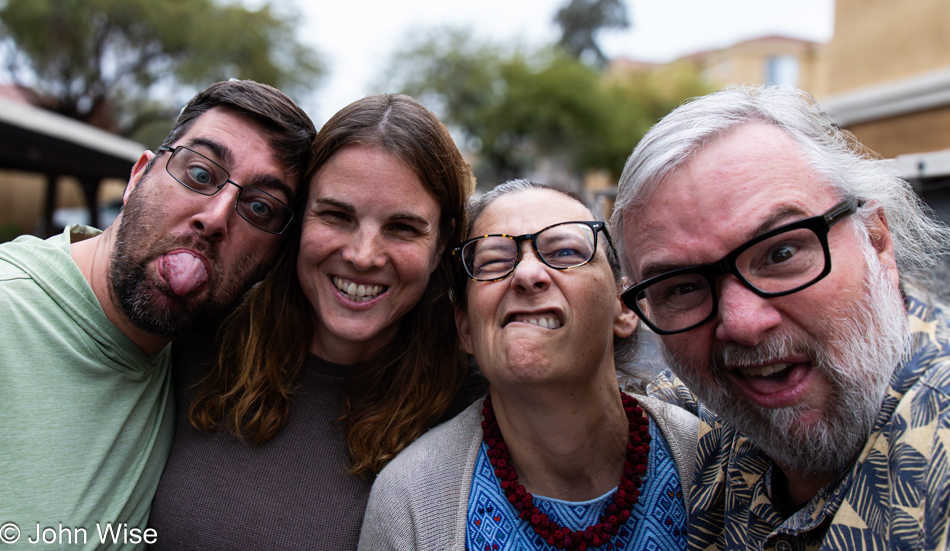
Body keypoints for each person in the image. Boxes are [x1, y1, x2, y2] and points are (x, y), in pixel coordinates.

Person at [611, 84, 950, 550]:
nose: (744, 324)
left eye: (782, 252)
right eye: (684, 287)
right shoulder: (708, 426)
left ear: (875, 238)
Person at [148, 93, 474, 549]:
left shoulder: (477, 410)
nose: (362, 255)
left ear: (441, 245)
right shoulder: (192, 339)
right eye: (337, 215)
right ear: (299, 219)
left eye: (402, 228)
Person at [0, 79, 315, 549]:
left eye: (259, 207)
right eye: (201, 175)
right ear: (138, 176)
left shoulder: (207, 356)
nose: (214, 217)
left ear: (273, 258)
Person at [358, 180, 698, 551]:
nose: (526, 274)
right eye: (493, 261)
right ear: (466, 328)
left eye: (566, 251)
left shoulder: (718, 462)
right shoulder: (409, 501)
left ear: (625, 306)